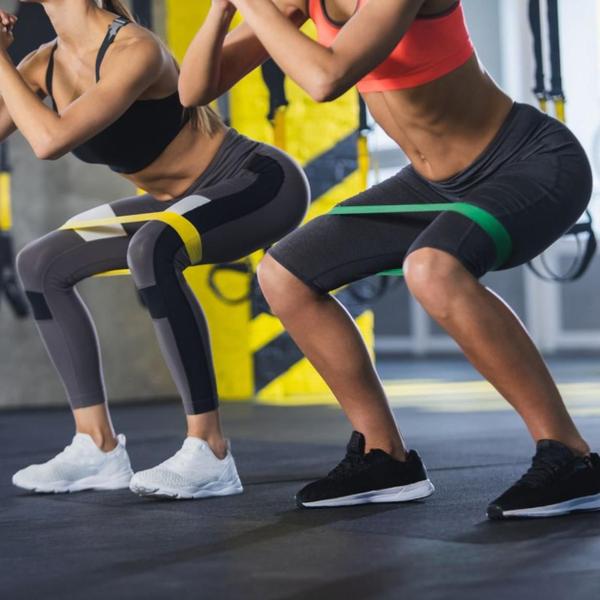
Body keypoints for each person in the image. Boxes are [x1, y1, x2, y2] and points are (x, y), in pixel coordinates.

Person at [185, 0, 600, 518]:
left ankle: (572, 456)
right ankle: (386, 456)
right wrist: (220, 13)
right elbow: (194, 91)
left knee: (432, 267)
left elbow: (324, 78)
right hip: (432, 185)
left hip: (528, 162)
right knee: (283, 274)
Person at [5, 0, 309, 499]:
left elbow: (49, 140)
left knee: (152, 246)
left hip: (256, 182)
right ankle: (96, 446)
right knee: (41, 264)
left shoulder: (134, 48)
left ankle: (209, 451)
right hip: (174, 204)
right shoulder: (42, 64)